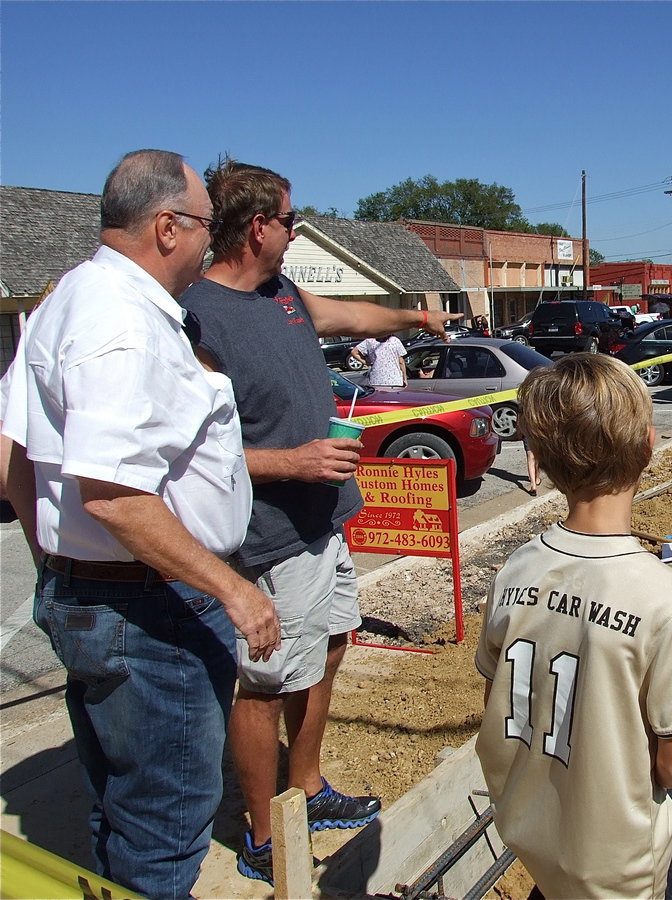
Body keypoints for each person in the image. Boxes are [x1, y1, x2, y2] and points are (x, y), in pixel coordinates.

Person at [0, 149, 281, 899]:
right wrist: (233, 590)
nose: (211, 241)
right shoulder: (123, 324)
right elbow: (114, 496)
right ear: (167, 227)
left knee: (120, 809)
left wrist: (59, 563)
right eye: (206, 225)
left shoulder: (67, 298)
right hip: (151, 609)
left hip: (106, 594)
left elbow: (11, 454)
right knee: (164, 828)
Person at [180, 157, 461, 885]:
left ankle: (306, 784)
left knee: (331, 644)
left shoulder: (281, 294)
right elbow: (192, 456)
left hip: (323, 521)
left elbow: (349, 316)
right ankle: (262, 833)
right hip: (270, 537)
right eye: (289, 220)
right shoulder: (197, 318)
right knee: (264, 682)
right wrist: (292, 462)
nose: (296, 231)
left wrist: (416, 317)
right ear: (257, 227)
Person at [475, 354, 672, 899]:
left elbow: (499, 699)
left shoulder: (517, 569)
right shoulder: (666, 600)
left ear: (542, 461)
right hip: (618, 864)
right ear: (649, 444)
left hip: (531, 835)